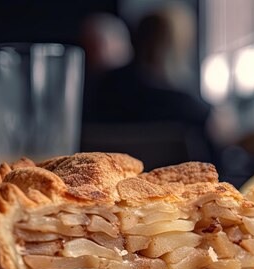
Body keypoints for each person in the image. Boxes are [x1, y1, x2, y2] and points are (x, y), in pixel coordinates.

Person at [83, 3, 215, 164]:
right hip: (174, 187)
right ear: (179, 46)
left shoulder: (101, 90)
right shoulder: (187, 107)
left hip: (111, 184)